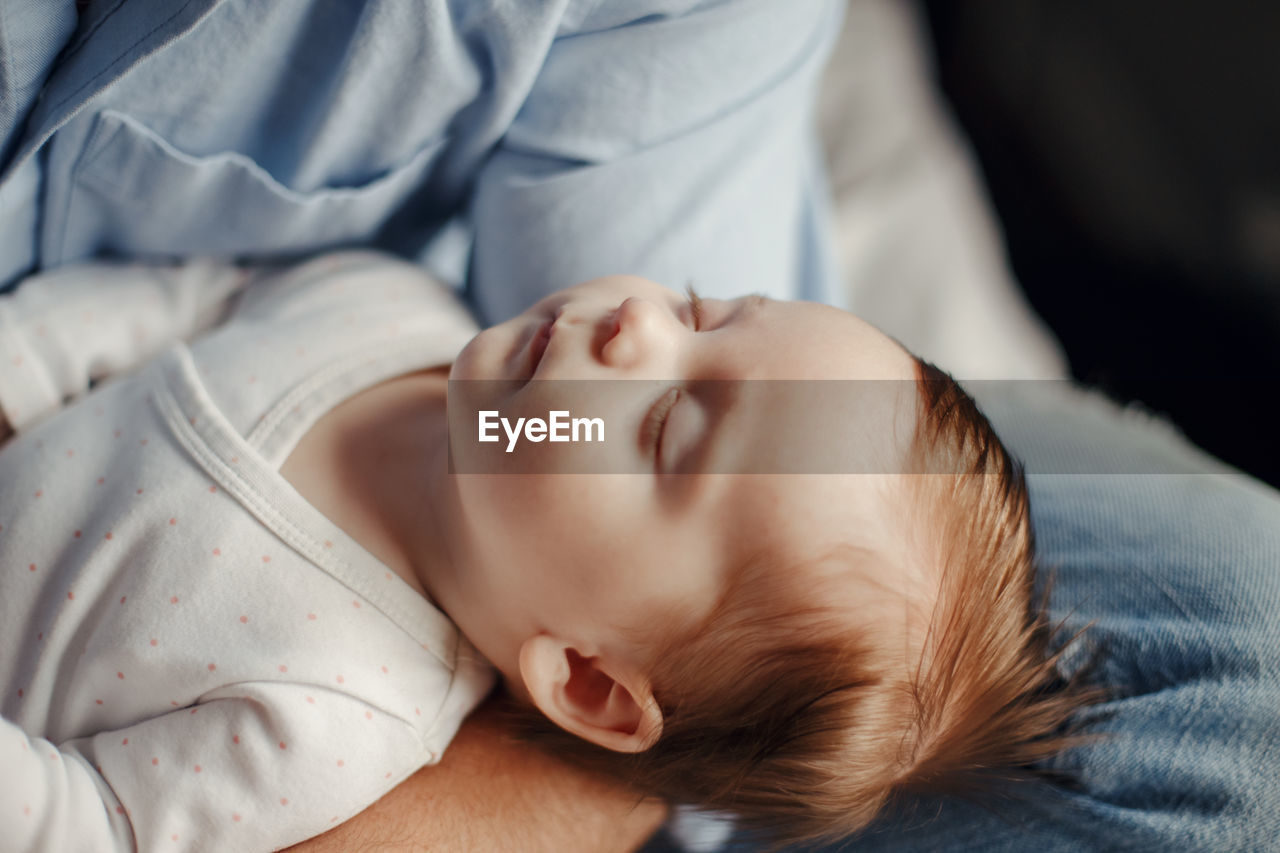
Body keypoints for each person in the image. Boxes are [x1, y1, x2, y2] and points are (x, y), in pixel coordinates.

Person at [0, 251, 1094, 850]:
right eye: (704, 309)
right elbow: (183, 302)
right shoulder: (386, 307)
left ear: (585, 678)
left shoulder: (333, 718)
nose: (637, 327)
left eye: (667, 425)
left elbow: (87, 824)